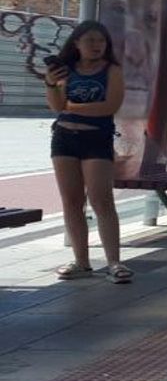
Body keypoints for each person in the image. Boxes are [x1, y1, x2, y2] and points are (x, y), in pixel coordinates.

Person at [43, 21, 132, 284]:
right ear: (76, 43)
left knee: (101, 199)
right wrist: (50, 83)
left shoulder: (112, 70)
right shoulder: (66, 71)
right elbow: (56, 106)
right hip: (64, 138)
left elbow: (109, 106)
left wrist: (72, 107)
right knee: (71, 202)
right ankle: (81, 261)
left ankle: (114, 262)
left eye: (101, 41)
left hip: (96, 138)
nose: (96, 46)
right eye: (90, 40)